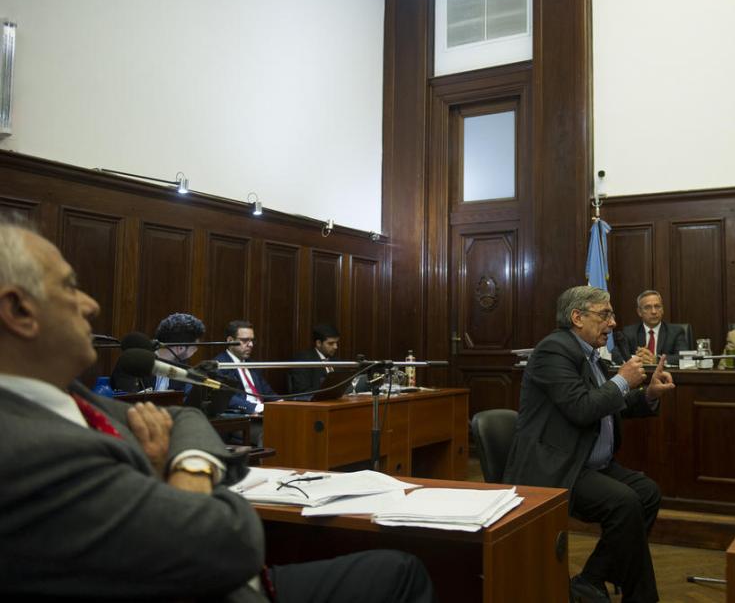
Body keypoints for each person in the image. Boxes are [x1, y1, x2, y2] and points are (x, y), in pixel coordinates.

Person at [0, 217, 434, 602]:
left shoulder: (67, 396)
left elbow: (185, 417)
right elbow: (230, 541)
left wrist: (181, 460)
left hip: (224, 575)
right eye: (69, 287)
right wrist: (178, 477)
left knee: (399, 568)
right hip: (216, 580)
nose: (90, 304)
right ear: (19, 309)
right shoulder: (23, 447)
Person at [503, 286, 676, 603]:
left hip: (590, 463)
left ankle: (591, 579)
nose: (612, 323)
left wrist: (648, 394)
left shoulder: (590, 354)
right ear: (577, 317)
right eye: (605, 314)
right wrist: (622, 379)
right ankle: (630, 594)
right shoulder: (553, 351)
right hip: (558, 466)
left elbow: (609, 403)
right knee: (625, 503)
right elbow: (582, 408)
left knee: (647, 493)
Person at [111, 312, 207, 393]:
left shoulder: (182, 365)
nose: (196, 350)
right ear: (180, 348)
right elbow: (127, 400)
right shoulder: (134, 361)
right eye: (195, 347)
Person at [215, 320, 276, 414]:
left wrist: (282, 404)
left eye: (252, 340)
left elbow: (268, 393)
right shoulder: (219, 364)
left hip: (263, 415)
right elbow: (225, 397)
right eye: (244, 340)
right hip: (243, 417)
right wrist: (255, 408)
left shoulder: (252, 365)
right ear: (230, 341)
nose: (250, 345)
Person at [615, 290, 689, 363]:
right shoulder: (629, 332)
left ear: (662, 309)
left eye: (657, 306)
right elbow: (615, 355)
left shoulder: (675, 332)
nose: (654, 312)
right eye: (647, 307)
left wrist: (657, 360)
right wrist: (637, 358)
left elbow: (684, 357)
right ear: (639, 312)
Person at [289, 323, 340, 395]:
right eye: (331, 343)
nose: (335, 347)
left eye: (336, 343)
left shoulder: (336, 360)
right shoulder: (304, 360)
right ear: (318, 343)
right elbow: (302, 390)